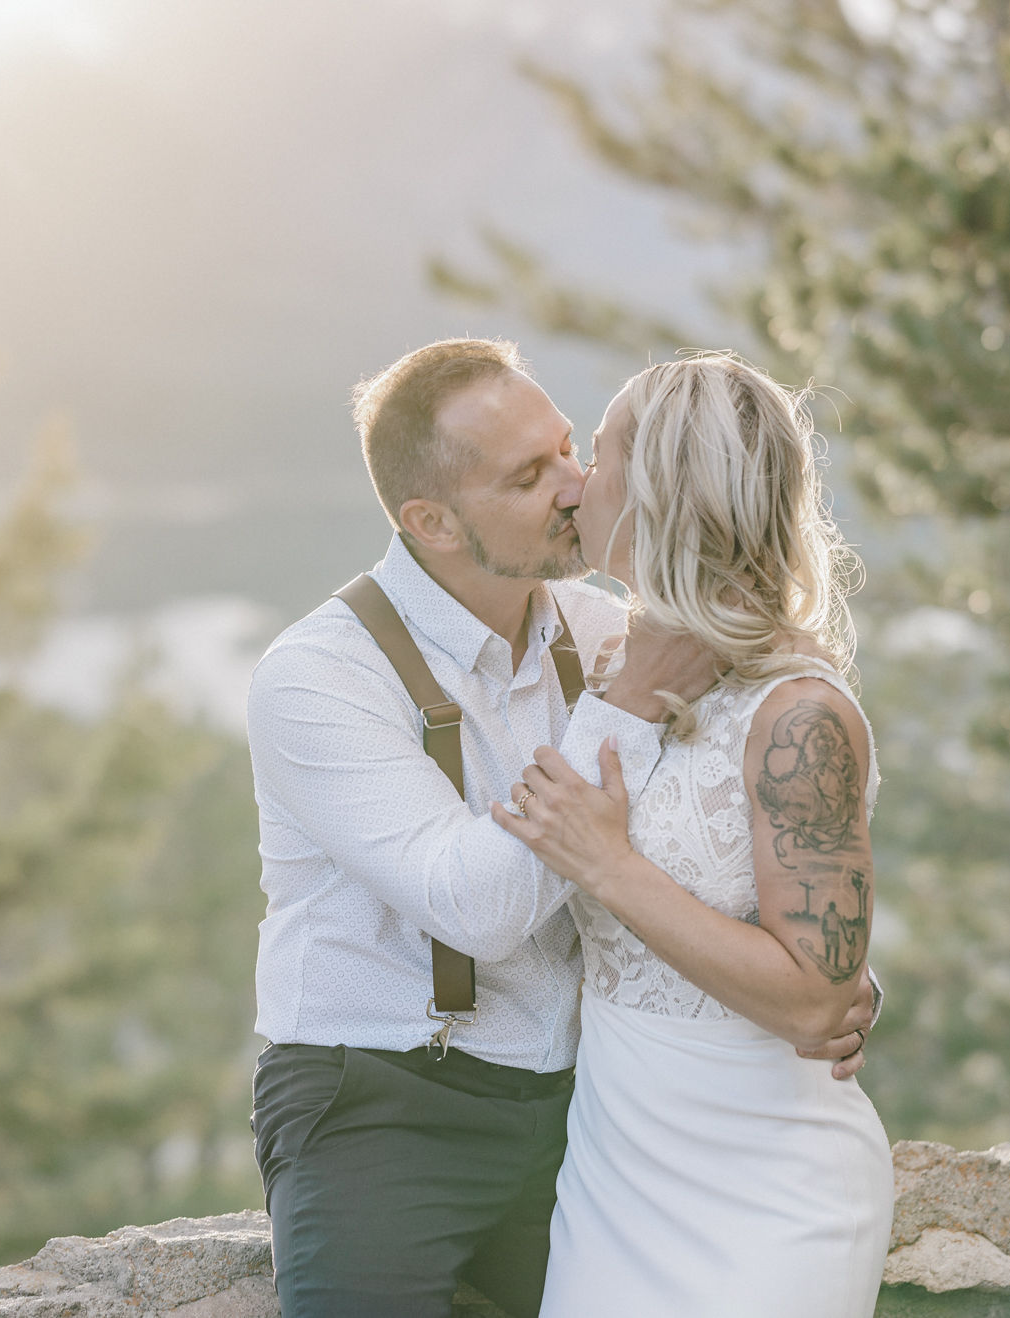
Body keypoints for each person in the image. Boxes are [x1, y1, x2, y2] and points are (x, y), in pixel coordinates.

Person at [245, 338, 878, 1318]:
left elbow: (763, 809)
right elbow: (477, 906)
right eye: (528, 474)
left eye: (571, 449)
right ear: (430, 519)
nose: (576, 484)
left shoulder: (608, 630)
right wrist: (623, 699)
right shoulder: (319, 678)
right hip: (385, 1103)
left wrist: (821, 966)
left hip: (590, 1112)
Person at [493, 352, 895, 1317]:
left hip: (769, 1194)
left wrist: (612, 867)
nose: (580, 484)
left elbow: (811, 1001)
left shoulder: (799, 715)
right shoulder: (608, 662)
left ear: (662, 489)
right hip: (612, 1181)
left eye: (597, 455)